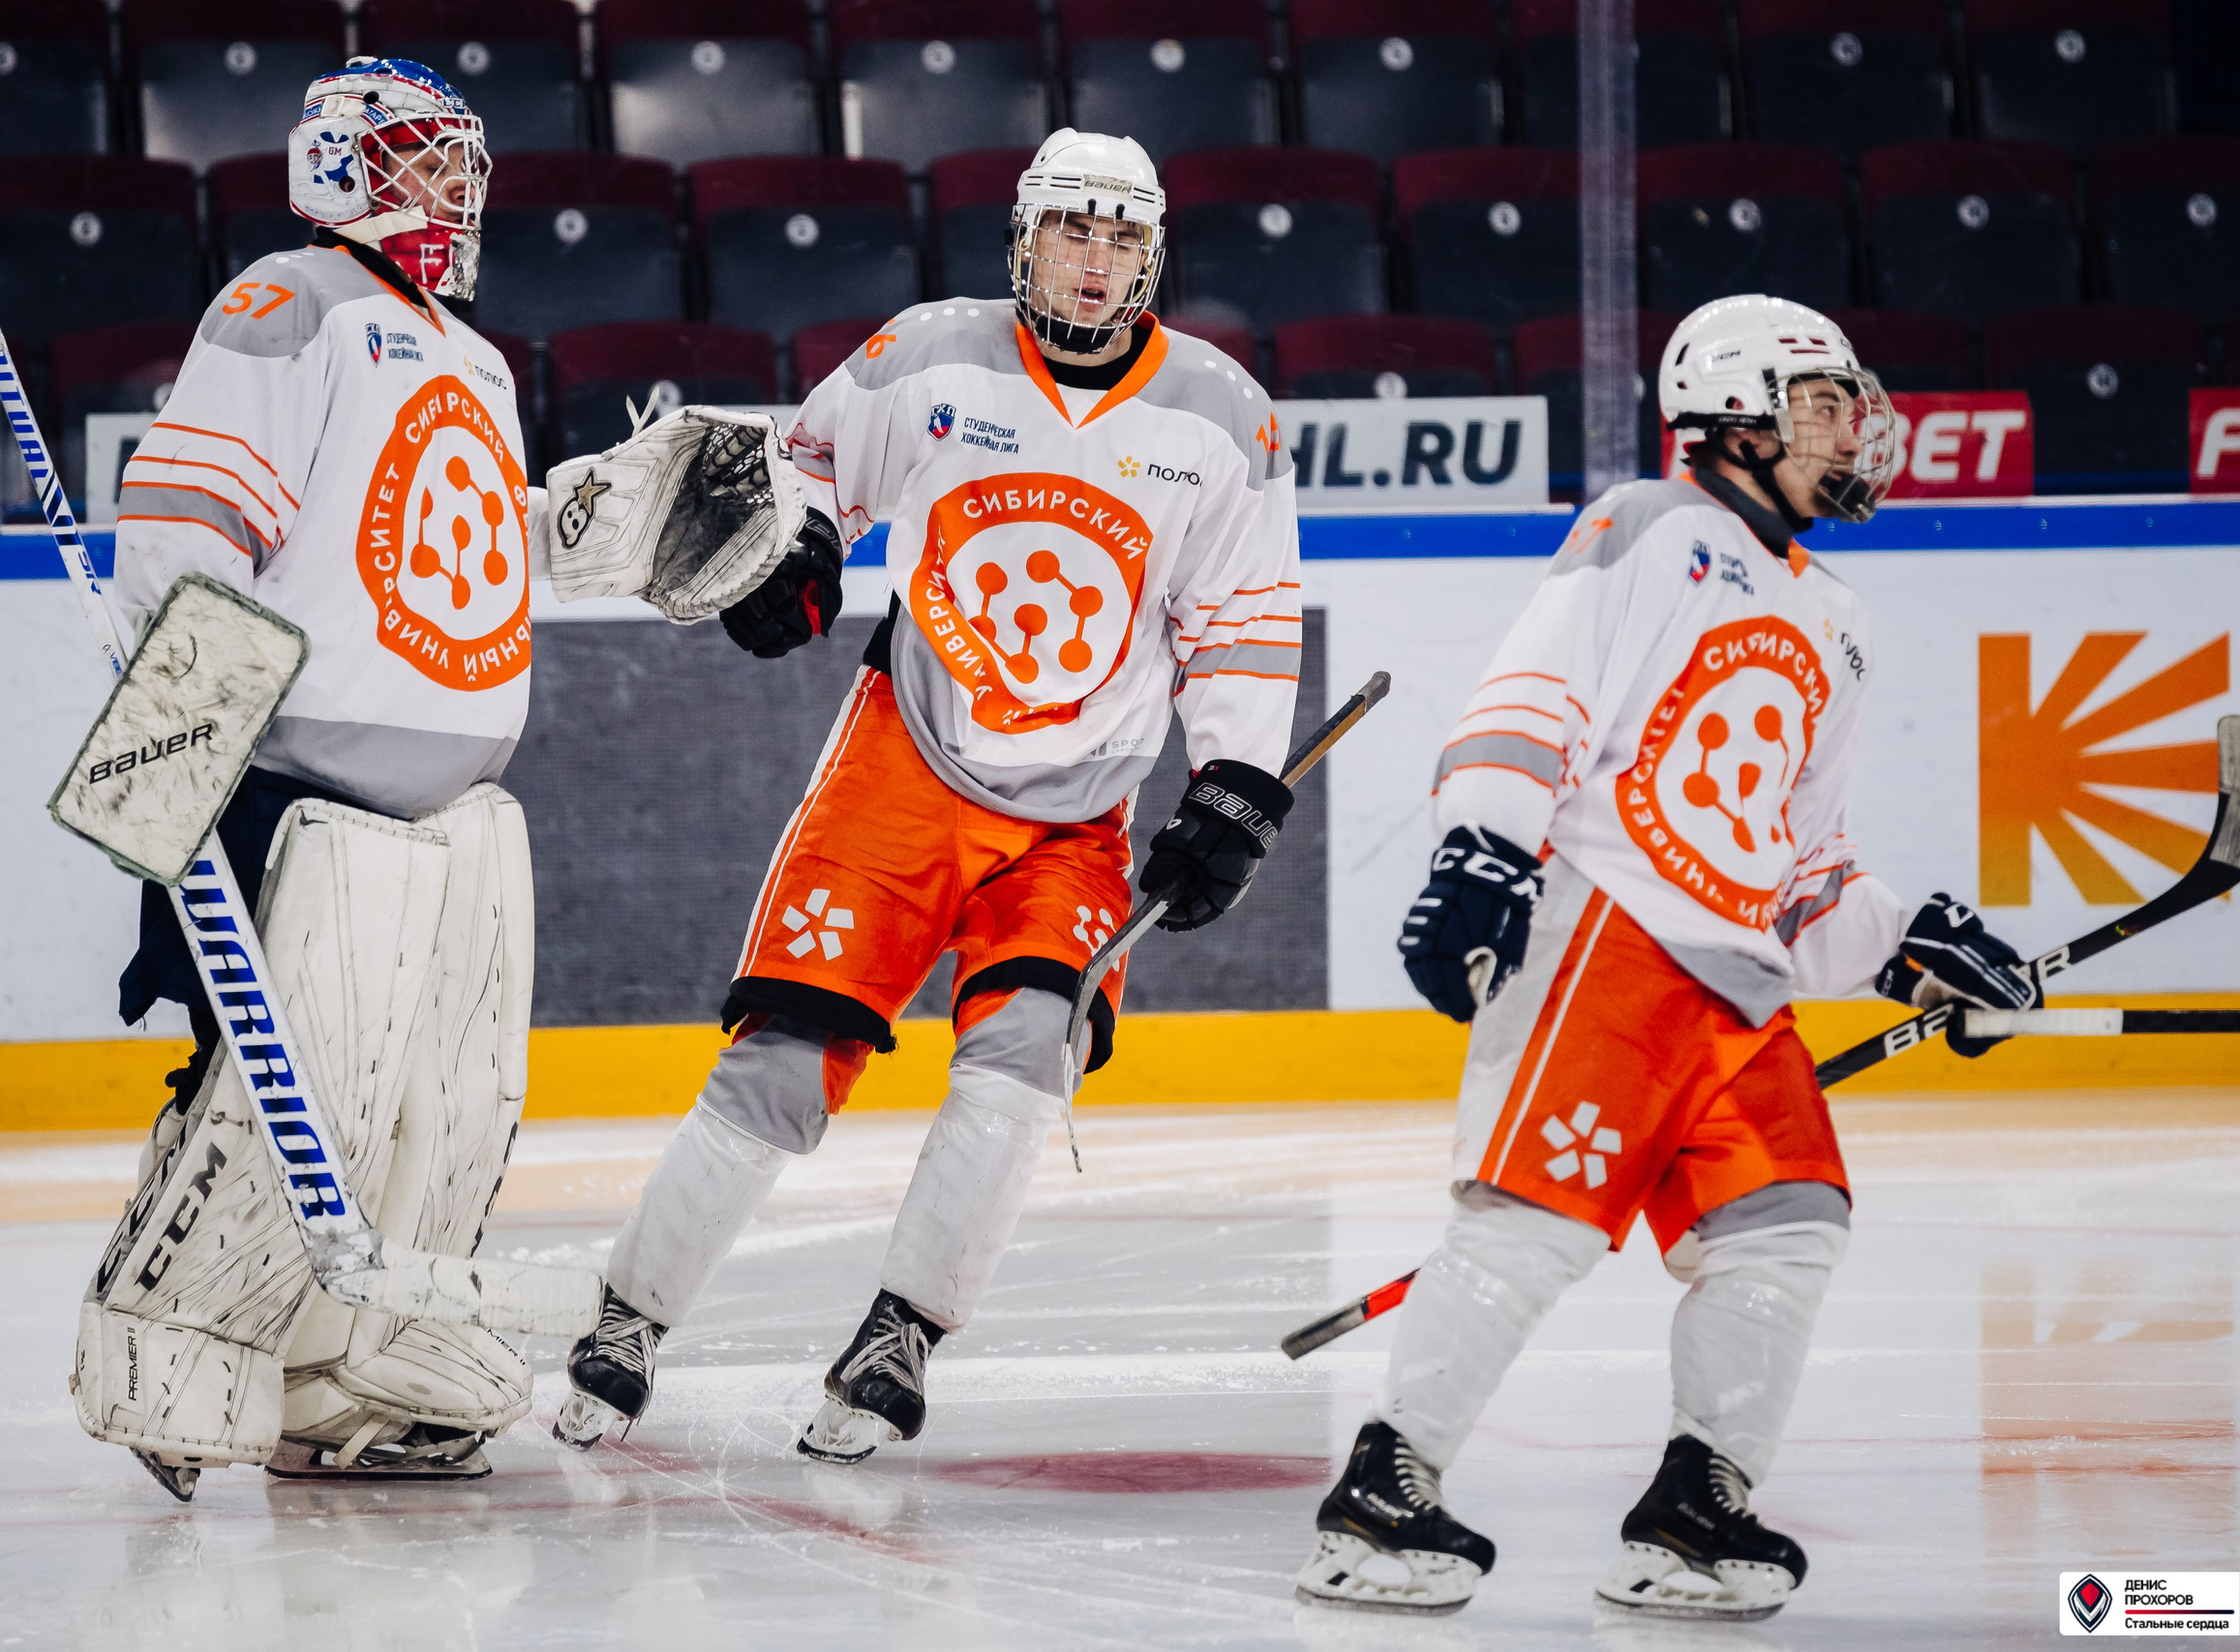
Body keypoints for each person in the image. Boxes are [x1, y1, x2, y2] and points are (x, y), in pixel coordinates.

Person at [555, 127, 1306, 1465]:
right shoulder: (928, 356)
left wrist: (1236, 784)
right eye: (1073, 230)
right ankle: (629, 1320)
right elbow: (808, 470)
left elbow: (1242, 618)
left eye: (1123, 236)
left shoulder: (1221, 412)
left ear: (1153, 255)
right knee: (784, 1061)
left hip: (1077, 815)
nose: (1096, 260)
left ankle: (902, 1331)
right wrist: (798, 554)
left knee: (1024, 1063)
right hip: (903, 767)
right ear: (1023, 240)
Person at [1291, 295, 2039, 1621]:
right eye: (1819, 405)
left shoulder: (1841, 625)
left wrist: (1914, 943)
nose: (1849, 430)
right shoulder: (1653, 527)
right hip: (1609, 935)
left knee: (1790, 1226)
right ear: (1734, 413)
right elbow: (1534, 697)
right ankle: (1379, 1498)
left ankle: (1697, 1511)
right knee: (1529, 1228)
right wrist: (1483, 852)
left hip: (1738, 988)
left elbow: (1803, 871)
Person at [73, 57, 549, 1500]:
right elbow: (180, 525)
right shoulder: (293, 301)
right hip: (295, 791)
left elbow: (466, 552)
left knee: (433, 1111)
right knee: (285, 1099)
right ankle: (177, 1365)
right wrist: (186, 751)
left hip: (447, 811)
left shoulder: (474, 355)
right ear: (338, 165)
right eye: (418, 160)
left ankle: (347, 1378)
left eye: (463, 163)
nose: (452, 191)